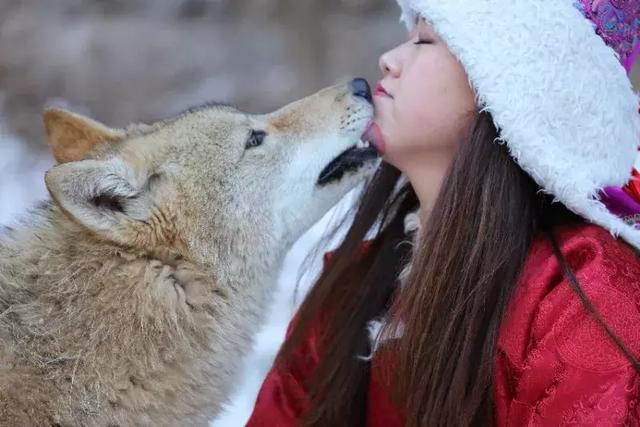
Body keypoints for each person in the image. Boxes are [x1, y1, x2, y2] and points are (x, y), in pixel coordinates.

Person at [246, 0, 640, 425]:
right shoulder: (355, 283)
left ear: (515, 88)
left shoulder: (587, 297)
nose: (389, 60)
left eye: (425, 40)